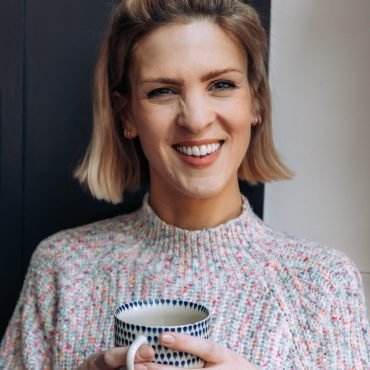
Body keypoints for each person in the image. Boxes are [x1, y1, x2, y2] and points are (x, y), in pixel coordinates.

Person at [1, 0, 369, 369]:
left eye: (221, 84)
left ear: (255, 101)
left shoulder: (323, 284)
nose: (195, 119)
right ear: (126, 114)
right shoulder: (63, 270)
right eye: (162, 91)